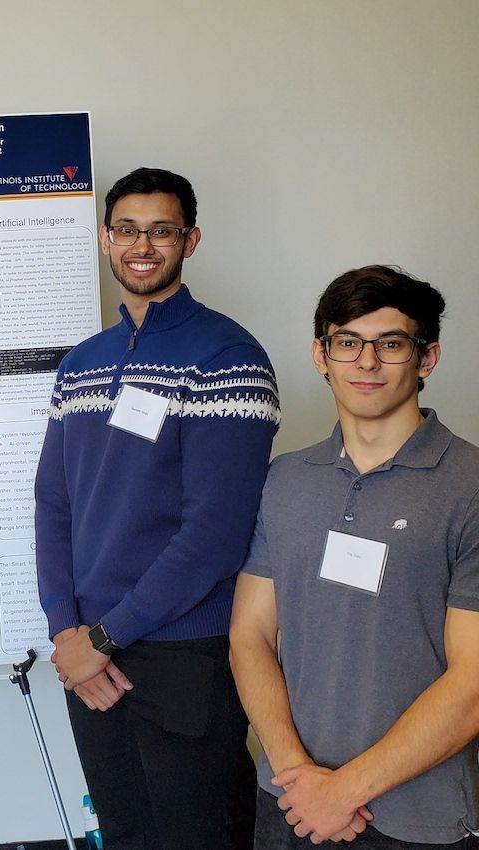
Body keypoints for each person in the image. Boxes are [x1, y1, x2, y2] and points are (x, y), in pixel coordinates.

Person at [35, 167, 280, 848]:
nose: (143, 245)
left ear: (190, 240)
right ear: (105, 240)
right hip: (87, 654)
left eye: (162, 231)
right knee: (124, 833)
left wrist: (102, 639)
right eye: (128, 230)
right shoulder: (81, 364)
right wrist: (67, 634)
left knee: (194, 837)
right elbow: (53, 503)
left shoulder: (228, 358)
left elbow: (216, 535)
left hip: (183, 654)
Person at [230, 266, 479, 848]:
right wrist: (298, 776)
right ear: (322, 355)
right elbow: (250, 637)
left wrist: (342, 793)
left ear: (428, 356)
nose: (366, 362)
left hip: (420, 819)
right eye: (348, 342)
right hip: (290, 804)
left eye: (390, 344)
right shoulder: (285, 480)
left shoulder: (469, 486)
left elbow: (473, 681)